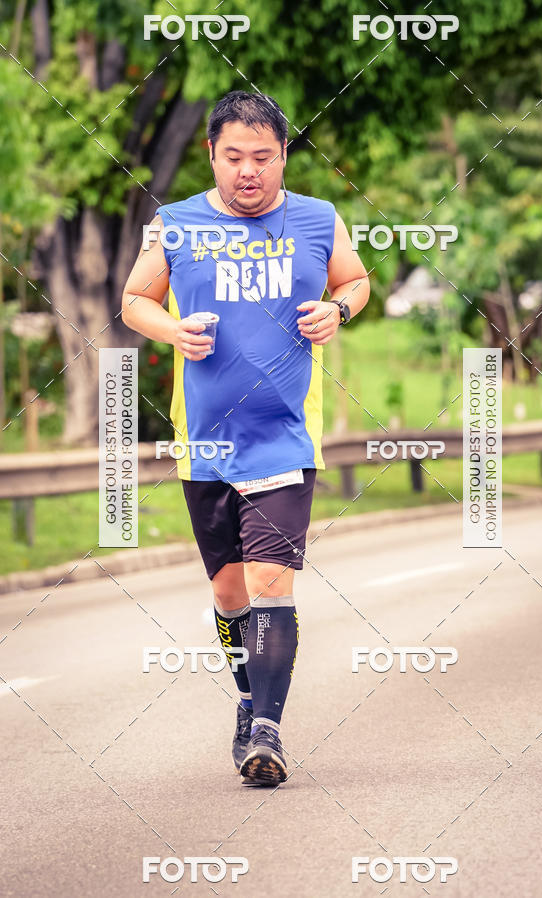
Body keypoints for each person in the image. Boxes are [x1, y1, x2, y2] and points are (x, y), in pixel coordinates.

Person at [122, 90, 369, 785]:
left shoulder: (319, 219)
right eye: (234, 157)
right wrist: (172, 330)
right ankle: (247, 700)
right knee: (231, 594)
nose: (249, 170)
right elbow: (133, 300)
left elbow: (355, 281)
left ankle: (267, 731)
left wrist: (337, 308)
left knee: (270, 582)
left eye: (263, 156)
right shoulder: (173, 224)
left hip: (285, 438)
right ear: (211, 155)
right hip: (204, 442)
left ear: (284, 156)